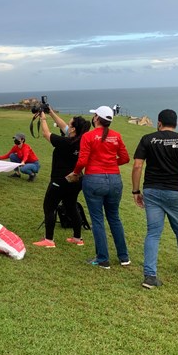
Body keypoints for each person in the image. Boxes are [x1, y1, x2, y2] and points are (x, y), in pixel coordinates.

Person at [131, 109, 178, 289]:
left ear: (159, 123)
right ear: (176, 124)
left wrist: (135, 191)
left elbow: (137, 166)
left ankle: (150, 275)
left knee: (153, 233)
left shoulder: (147, 139)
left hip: (152, 192)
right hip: (176, 193)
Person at [67, 106, 130, 269]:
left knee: (97, 219)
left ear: (96, 118)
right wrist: (109, 163)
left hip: (94, 179)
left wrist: (75, 173)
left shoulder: (88, 136)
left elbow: (81, 161)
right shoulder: (116, 136)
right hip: (115, 180)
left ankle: (103, 258)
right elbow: (124, 158)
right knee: (114, 217)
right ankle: (124, 257)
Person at [32, 109, 92, 248]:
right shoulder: (82, 140)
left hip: (60, 180)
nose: (66, 126)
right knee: (71, 206)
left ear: (73, 129)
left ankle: (49, 240)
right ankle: (78, 238)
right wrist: (50, 112)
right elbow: (64, 126)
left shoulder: (66, 142)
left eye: (70, 125)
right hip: (77, 180)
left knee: (49, 207)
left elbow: (46, 134)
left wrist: (43, 119)